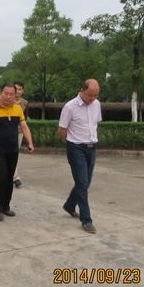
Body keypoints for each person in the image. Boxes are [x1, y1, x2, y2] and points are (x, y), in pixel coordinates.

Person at [0, 83, 34, 221]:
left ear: (15, 95)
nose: (8, 97)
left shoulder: (17, 109)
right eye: (6, 93)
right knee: (1, 177)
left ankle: (6, 206)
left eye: (11, 94)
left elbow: (24, 126)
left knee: (10, 178)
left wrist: (30, 142)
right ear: (1, 93)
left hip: (13, 149)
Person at [58, 79, 102, 234]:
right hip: (76, 148)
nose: (92, 98)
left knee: (85, 182)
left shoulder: (96, 105)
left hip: (91, 148)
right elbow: (62, 130)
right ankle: (86, 220)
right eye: (90, 95)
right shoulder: (70, 107)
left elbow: (95, 124)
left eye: (95, 95)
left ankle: (70, 205)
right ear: (82, 90)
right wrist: (72, 143)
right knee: (82, 183)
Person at [12, 81, 29, 188]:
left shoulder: (25, 103)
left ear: (23, 91)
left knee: (15, 153)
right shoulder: (8, 100)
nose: (17, 91)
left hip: (18, 132)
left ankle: (15, 176)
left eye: (19, 89)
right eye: (16, 89)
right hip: (7, 131)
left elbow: (25, 120)